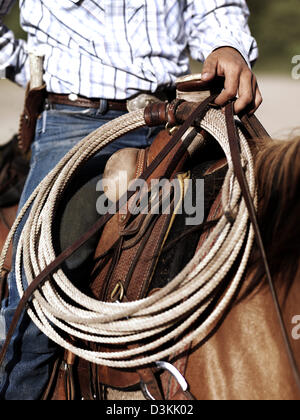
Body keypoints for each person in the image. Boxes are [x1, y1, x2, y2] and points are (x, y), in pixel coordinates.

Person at [0, 0, 262, 400]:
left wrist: (227, 46)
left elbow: (215, 7)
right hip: (77, 119)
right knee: (34, 281)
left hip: (177, 113)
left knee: (255, 218)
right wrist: (32, 67)